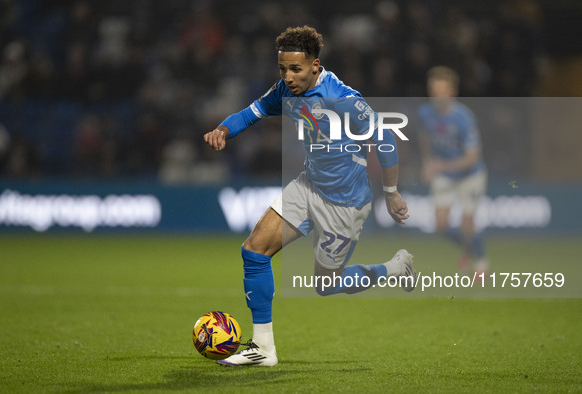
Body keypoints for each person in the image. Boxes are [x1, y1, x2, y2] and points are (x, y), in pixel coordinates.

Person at [203, 26, 416, 367]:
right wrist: (223, 130)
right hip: (308, 185)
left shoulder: (342, 97)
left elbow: (386, 138)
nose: (287, 77)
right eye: (283, 69)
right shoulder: (284, 91)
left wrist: (390, 194)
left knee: (326, 285)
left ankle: (394, 268)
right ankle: (263, 349)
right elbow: (249, 113)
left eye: (295, 69)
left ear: (315, 66)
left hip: (344, 204)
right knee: (254, 250)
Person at [417, 66, 489, 277]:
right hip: (445, 174)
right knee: (440, 226)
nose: (438, 96)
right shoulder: (424, 113)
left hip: (470, 175)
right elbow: (424, 137)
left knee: (467, 223)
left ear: (453, 92)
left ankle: (482, 261)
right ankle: (468, 249)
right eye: (434, 91)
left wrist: (439, 166)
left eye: (442, 90)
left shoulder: (464, 118)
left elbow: (472, 157)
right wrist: (427, 161)